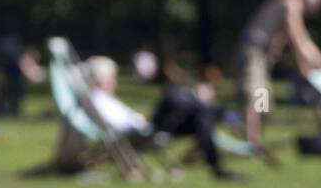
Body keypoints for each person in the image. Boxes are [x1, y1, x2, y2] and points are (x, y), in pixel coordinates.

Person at [84, 56, 243, 180]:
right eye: (112, 77)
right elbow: (119, 126)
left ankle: (209, 112)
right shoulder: (97, 100)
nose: (115, 82)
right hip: (141, 132)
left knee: (201, 117)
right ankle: (217, 112)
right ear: (100, 79)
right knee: (172, 95)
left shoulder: (106, 99)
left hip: (146, 129)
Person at [235, 0, 321, 149]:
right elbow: (299, 39)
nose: (316, 8)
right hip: (254, 52)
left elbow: (292, 38)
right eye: (317, 2)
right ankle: (252, 141)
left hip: (262, 55)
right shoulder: (292, 2)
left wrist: (308, 63)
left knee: (262, 96)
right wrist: (314, 62)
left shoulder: (287, 3)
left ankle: (254, 137)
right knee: (256, 92)